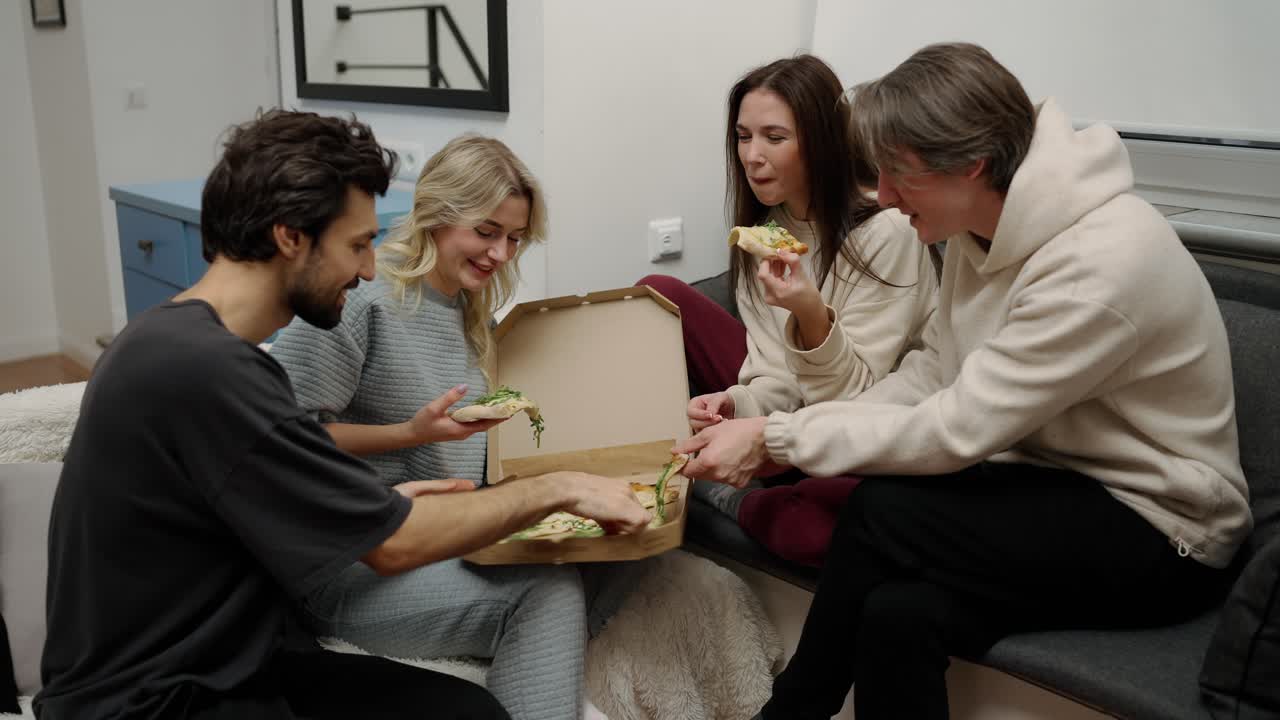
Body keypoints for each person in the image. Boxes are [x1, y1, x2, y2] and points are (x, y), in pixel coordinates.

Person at [679, 43, 1252, 720]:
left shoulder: (1100, 264)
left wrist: (777, 440)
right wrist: (767, 427)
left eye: (897, 174)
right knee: (898, 615)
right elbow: (933, 372)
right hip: (1059, 487)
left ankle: (792, 710)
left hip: (1166, 531)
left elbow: (958, 427)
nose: (883, 194)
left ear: (970, 165)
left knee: (881, 509)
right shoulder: (983, 229)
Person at [36, 110, 648, 720]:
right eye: (358, 245)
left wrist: (387, 491)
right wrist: (556, 488)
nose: (366, 268)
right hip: (160, 703)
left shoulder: (183, 349)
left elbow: (272, 483)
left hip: (240, 658)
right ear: (290, 237)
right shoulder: (203, 373)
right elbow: (391, 545)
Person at [269, 134, 626, 720]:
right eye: (486, 231)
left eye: (513, 238)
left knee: (618, 549)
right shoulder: (360, 298)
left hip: (446, 538)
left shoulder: (467, 303)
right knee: (549, 591)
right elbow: (280, 445)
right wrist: (409, 434)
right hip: (353, 564)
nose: (501, 253)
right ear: (438, 213)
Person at [639, 54, 936, 566]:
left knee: (818, 528)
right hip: (791, 418)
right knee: (656, 291)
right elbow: (772, 368)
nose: (752, 156)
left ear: (821, 141)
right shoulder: (766, 230)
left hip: (866, 422)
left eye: (775, 138)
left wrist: (810, 314)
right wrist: (736, 405)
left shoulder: (887, 232)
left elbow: (854, 400)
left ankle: (733, 497)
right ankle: (711, 464)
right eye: (743, 136)